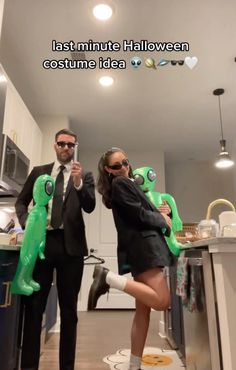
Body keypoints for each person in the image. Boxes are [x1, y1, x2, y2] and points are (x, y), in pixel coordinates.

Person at [15, 128, 96, 370]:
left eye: (71, 145)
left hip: (71, 248)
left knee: (69, 312)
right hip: (42, 244)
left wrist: (79, 184)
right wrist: (25, 222)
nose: (66, 149)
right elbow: (21, 200)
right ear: (55, 145)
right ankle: (29, 366)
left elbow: (90, 206)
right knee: (34, 309)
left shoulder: (84, 175)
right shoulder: (39, 172)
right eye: (62, 144)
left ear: (75, 148)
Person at [88, 147, 172, 370]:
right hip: (145, 248)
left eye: (125, 162)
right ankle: (108, 279)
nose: (124, 168)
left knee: (142, 311)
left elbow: (142, 211)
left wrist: (161, 212)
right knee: (163, 301)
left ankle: (134, 364)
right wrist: (162, 219)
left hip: (139, 248)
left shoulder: (125, 184)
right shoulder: (121, 183)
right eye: (117, 166)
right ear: (108, 170)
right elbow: (139, 215)